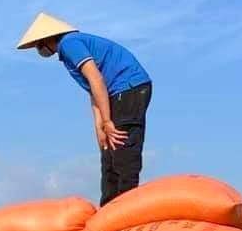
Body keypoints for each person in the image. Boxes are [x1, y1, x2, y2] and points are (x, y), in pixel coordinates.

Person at [17, 12, 153, 207]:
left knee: (122, 149)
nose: (39, 50)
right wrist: (100, 127)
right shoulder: (68, 51)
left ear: (47, 40)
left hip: (128, 87)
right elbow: (94, 90)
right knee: (108, 153)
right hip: (115, 93)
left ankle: (127, 208)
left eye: (38, 45)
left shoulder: (69, 43)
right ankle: (108, 210)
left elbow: (96, 79)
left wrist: (108, 121)